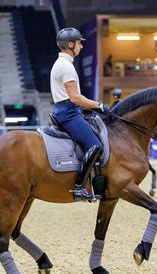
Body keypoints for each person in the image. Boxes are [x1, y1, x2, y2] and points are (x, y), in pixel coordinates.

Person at [50, 27, 110, 201]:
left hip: (68, 109)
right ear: (70, 44)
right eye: (78, 43)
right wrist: (98, 105)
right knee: (95, 146)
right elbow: (75, 98)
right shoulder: (66, 66)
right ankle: (78, 187)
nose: (81, 47)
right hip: (68, 112)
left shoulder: (62, 64)